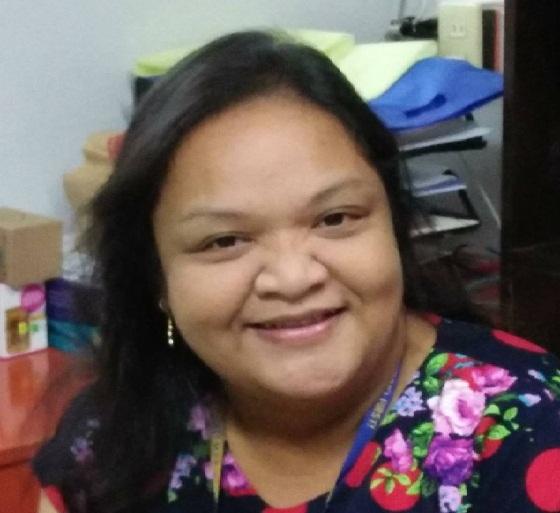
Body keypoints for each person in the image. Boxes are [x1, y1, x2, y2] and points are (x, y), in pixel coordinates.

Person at [34, 31, 560, 513]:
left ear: (394, 227)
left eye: (335, 219)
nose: (293, 278)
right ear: (156, 279)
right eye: (225, 241)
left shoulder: (531, 427)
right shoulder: (109, 434)